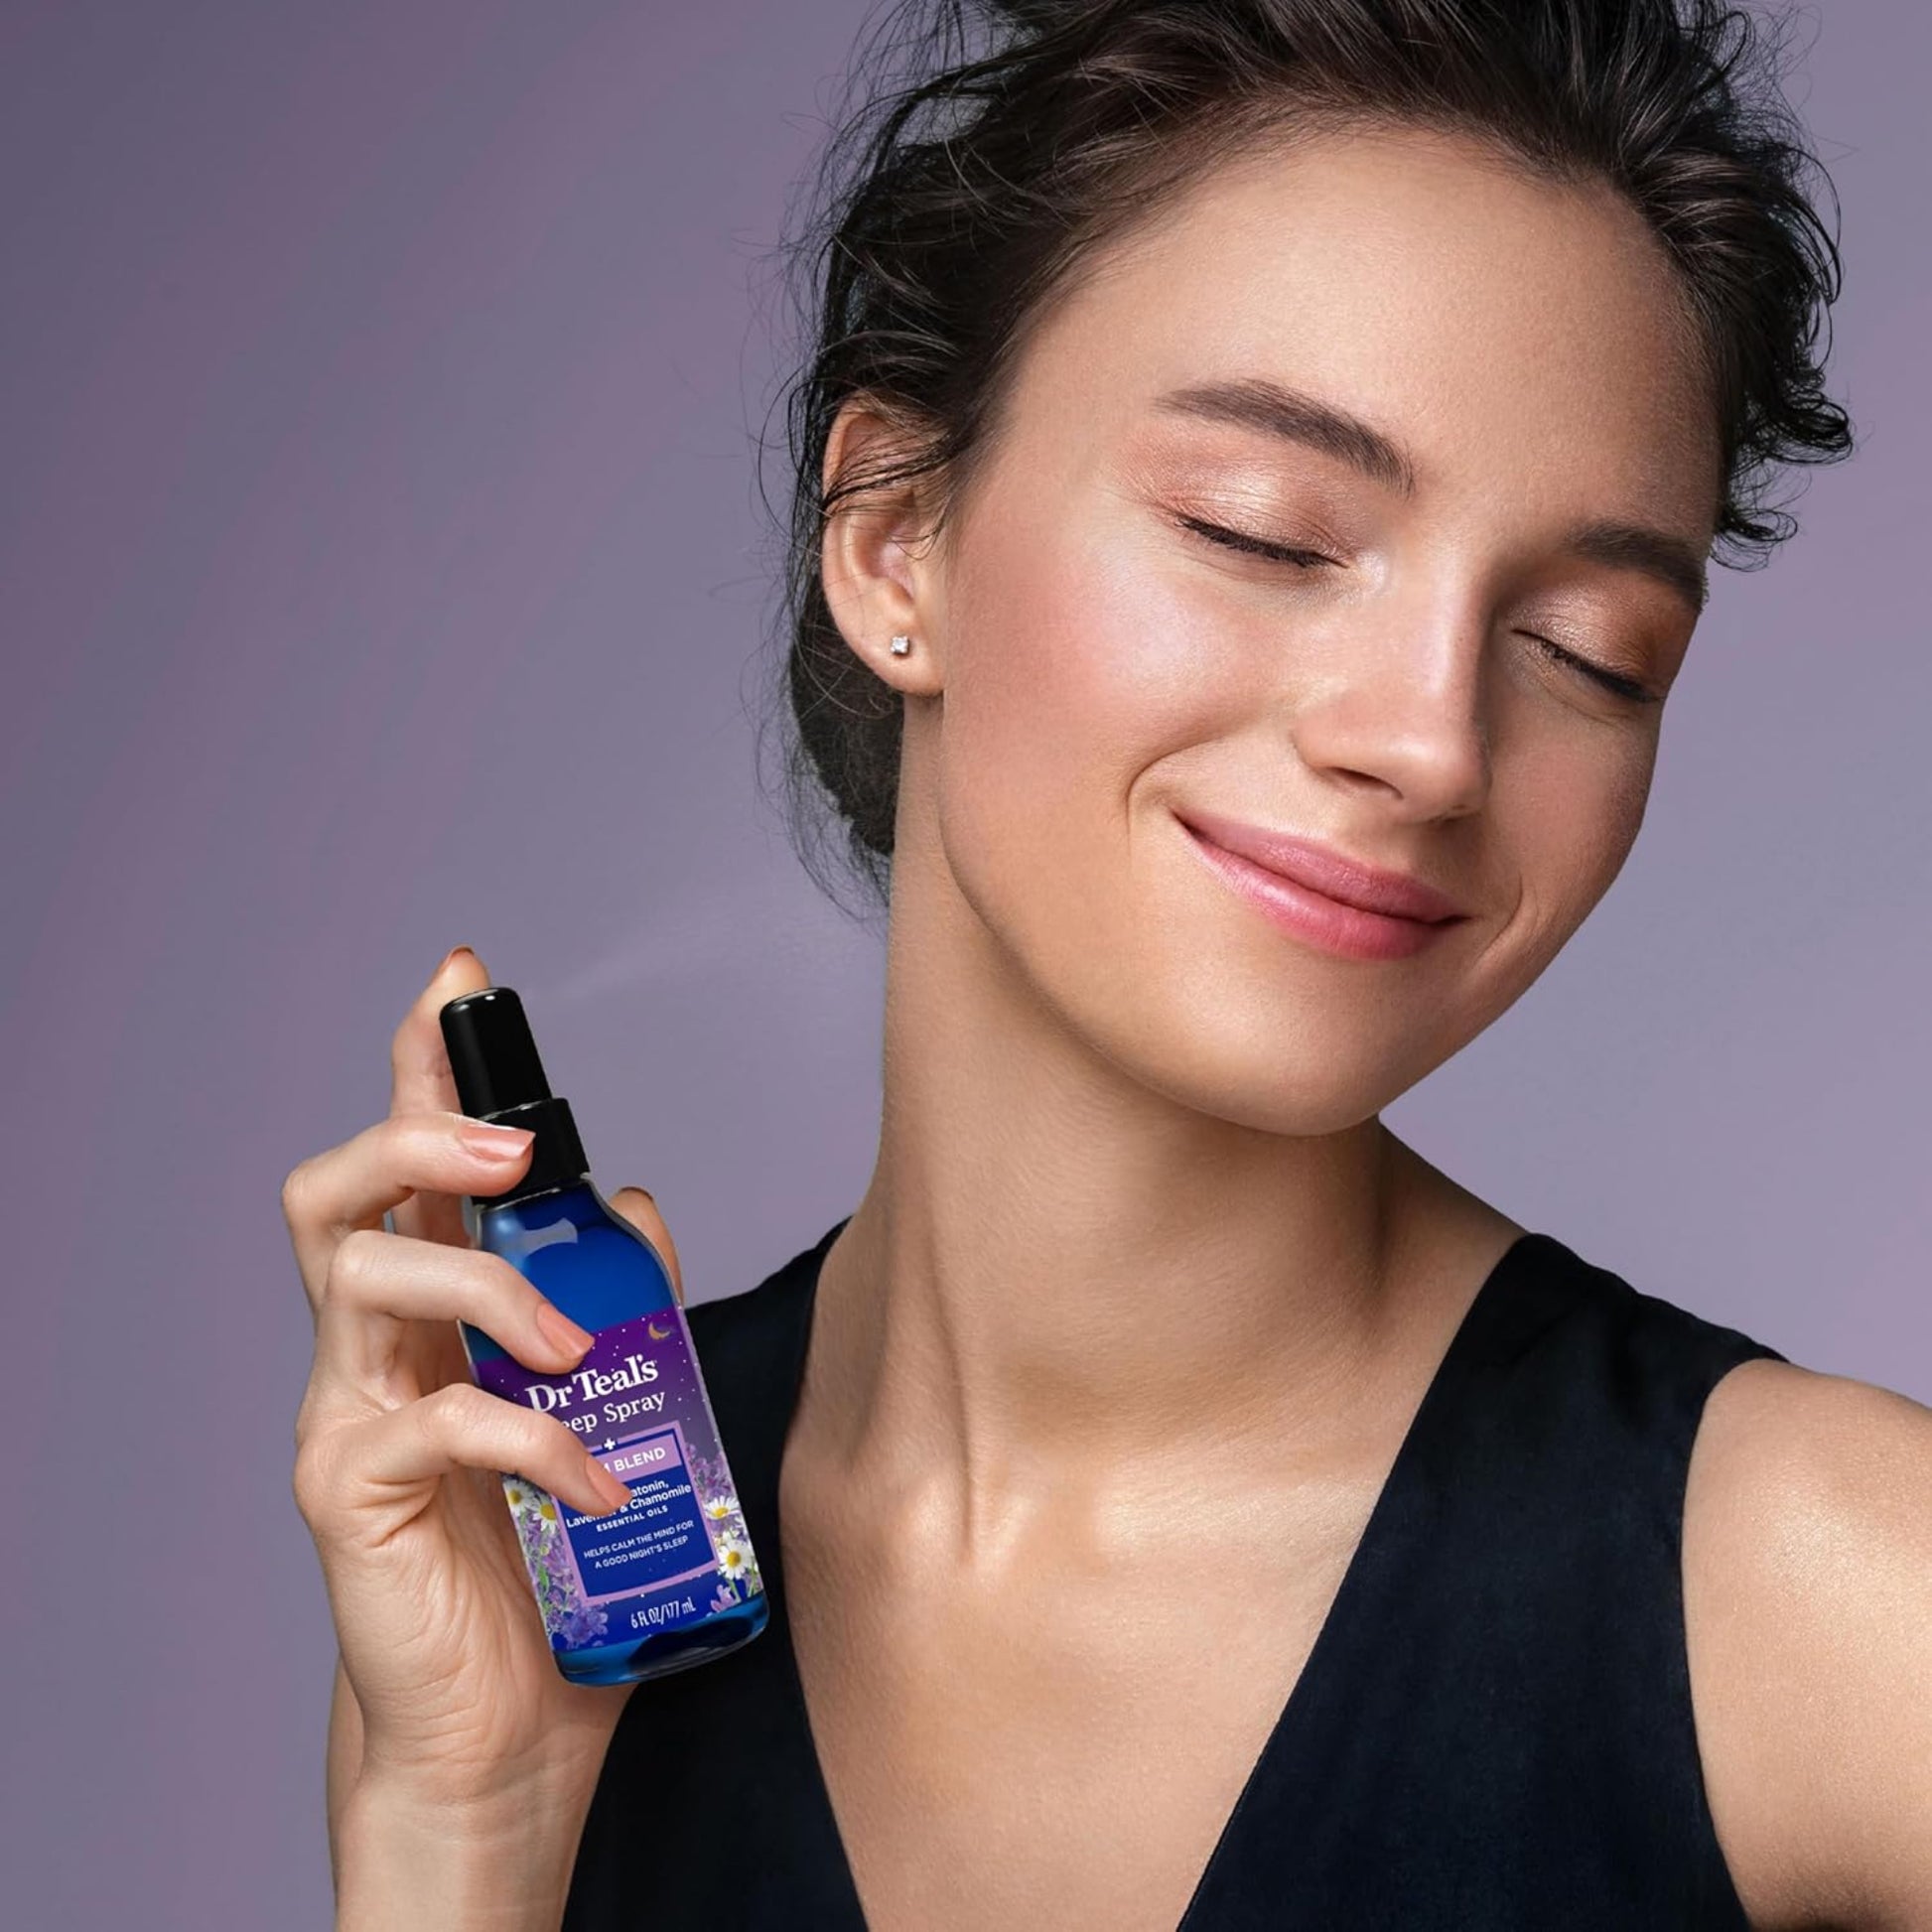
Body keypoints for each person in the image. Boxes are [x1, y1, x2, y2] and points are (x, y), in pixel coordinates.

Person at [281, 1, 1931, 1926]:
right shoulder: (565, 1551)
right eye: (1268, 532)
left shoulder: (1833, 1598)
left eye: (1584, 649)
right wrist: (457, 1839)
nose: (1430, 740)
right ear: (895, 537)